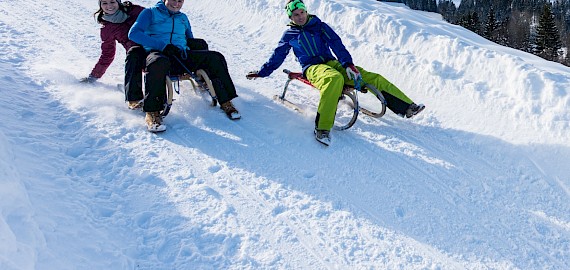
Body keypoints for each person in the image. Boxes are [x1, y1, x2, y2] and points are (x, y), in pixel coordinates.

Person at [246, 0, 425, 146]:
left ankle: (407, 107)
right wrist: (262, 73)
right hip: (312, 68)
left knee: (370, 77)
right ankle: (322, 128)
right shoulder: (289, 35)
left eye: (301, 12)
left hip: (331, 62)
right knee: (333, 79)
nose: (300, 17)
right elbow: (277, 57)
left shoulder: (320, 26)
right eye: (295, 15)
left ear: (306, 11)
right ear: (290, 17)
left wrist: (348, 64)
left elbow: (337, 45)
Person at [128, 0, 241, 132]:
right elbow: (134, 33)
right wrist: (162, 46)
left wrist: (194, 53)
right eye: (173, 0)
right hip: (159, 53)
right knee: (157, 63)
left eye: (180, 1)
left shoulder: (183, 17)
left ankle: (226, 101)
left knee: (216, 57)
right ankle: (152, 112)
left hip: (181, 55)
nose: (176, 3)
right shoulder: (150, 13)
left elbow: (190, 39)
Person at [81, 0, 147, 110]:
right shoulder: (107, 29)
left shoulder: (135, 11)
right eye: (105, 3)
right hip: (136, 55)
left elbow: (156, 19)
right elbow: (107, 54)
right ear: (100, 5)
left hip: (155, 45)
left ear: (118, 2)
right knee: (135, 59)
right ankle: (135, 98)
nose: (109, 6)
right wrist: (94, 76)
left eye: (112, 2)